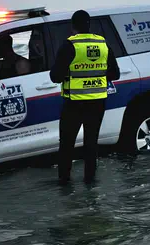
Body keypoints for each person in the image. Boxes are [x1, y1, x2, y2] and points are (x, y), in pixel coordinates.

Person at [50, 10, 120, 184]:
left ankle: (65, 182)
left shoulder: (70, 45)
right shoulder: (102, 43)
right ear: (89, 25)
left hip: (74, 102)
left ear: (73, 26)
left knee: (67, 144)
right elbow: (115, 74)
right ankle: (90, 180)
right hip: (97, 101)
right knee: (91, 142)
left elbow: (55, 77)